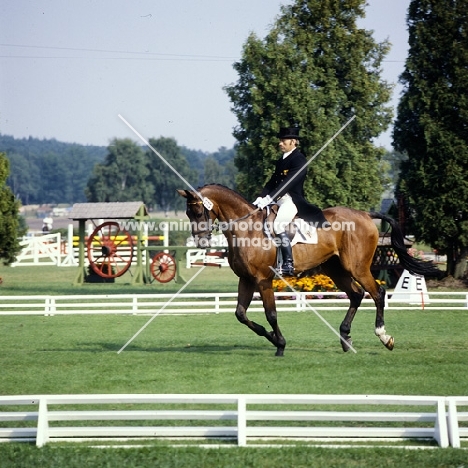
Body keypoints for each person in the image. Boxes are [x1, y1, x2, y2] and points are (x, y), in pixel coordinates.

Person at [253, 126, 328, 276]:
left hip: (292, 201)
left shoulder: (299, 160)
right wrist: (261, 197)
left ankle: (288, 262)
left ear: (293, 141)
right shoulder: (281, 160)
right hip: (278, 200)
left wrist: (270, 198)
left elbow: (287, 184)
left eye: (283, 140)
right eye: (280, 141)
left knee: (278, 225)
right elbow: (273, 181)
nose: (280, 143)